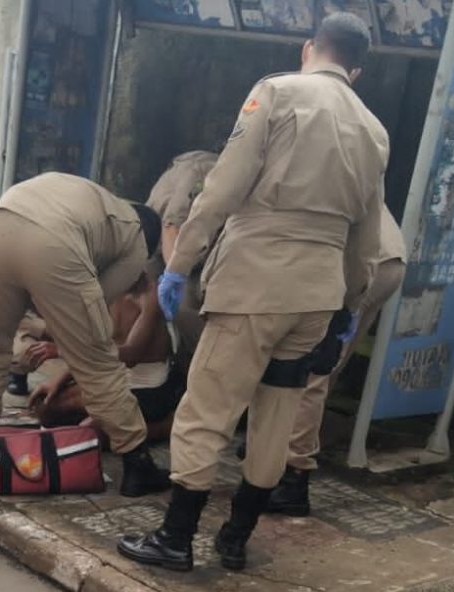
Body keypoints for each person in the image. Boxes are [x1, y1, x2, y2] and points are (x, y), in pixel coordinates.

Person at [118, 13, 388, 572]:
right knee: (277, 415)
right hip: (316, 297)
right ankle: (235, 540)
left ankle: (175, 539)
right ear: (355, 70)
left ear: (309, 48)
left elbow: (221, 190)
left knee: (208, 409)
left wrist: (180, 264)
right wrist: (349, 304)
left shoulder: (277, 92)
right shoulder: (373, 130)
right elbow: (366, 232)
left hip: (254, 287)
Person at [0, 172, 171, 498]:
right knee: (98, 362)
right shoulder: (134, 240)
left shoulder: (102, 206)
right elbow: (96, 313)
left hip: (0, 220)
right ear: (151, 243)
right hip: (51, 240)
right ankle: (137, 464)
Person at [264, 204, 407, 516]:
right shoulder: (347, 155)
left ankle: (294, 476)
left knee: (311, 370)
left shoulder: (295, 162)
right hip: (388, 257)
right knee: (329, 362)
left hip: (359, 261)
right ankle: (282, 448)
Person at [28, 268, 182, 442]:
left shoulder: (149, 295)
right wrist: (57, 382)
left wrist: (65, 351)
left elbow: (131, 354)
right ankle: (111, 422)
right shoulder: (102, 289)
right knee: (44, 407)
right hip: (112, 380)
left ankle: (162, 428)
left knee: (89, 435)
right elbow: (97, 347)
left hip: (148, 392)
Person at [145, 151, 218, 371]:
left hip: (195, 257)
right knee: (169, 313)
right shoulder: (204, 171)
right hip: (166, 251)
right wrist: (174, 273)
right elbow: (172, 226)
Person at [6, 311, 59, 396]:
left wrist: (59, 350)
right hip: (34, 318)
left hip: (72, 327)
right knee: (24, 354)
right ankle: (17, 374)